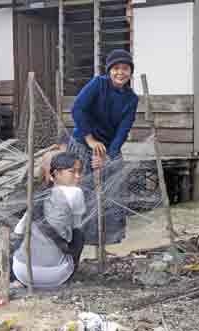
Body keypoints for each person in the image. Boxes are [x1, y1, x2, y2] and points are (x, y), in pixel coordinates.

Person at [67, 49, 139, 245]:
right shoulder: (98, 84)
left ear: (130, 72)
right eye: (116, 68)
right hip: (83, 142)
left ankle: (111, 238)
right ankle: (82, 238)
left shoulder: (131, 98)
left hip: (108, 148)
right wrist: (90, 140)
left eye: (125, 69)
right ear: (109, 71)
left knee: (113, 189)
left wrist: (110, 154)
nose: (120, 73)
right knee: (84, 190)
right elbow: (77, 109)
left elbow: (124, 129)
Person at [11, 152, 85, 288]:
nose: (78, 176)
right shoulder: (75, 193)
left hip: (23, 272)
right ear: (56, 173)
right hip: (56, 275)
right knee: (80, 234)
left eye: (80, 172)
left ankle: (16, 280)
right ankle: (70, 277)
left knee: (21, 236)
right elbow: (76, 228)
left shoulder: (38, 196)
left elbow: (18, 230)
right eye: (72, 172)